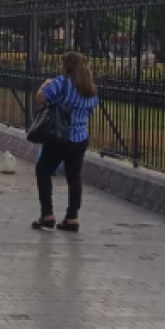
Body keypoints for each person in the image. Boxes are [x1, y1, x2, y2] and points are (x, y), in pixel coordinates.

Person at [32, 51, 99, 233]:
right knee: (74, 177)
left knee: (43, 170)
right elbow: (90, 109)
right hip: (80, 137)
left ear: (67, 67)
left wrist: (44, 85)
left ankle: (47, 215)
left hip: (60, 137)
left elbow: (41, 98)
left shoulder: (61, 82)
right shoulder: (90, 88)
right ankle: (72, 217)